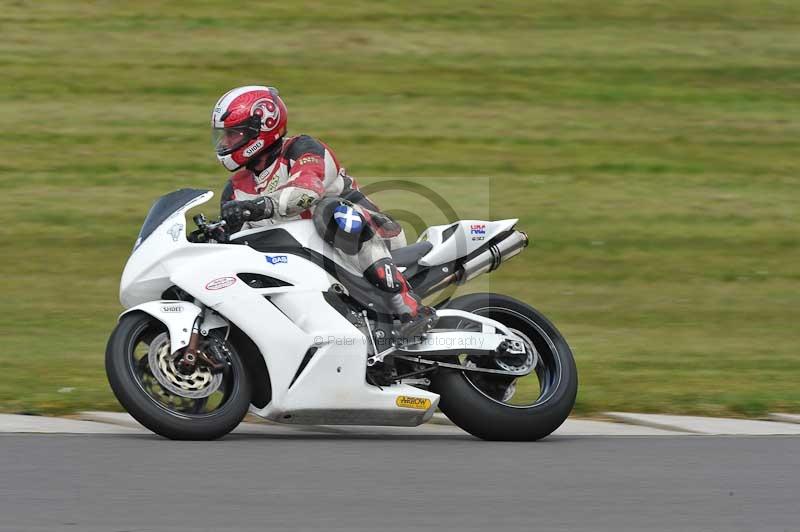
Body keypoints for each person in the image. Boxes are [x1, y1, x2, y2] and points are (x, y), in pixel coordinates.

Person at [211, 85, 435, 344]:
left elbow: (306, 192)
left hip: (373, 236)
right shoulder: (236, 188)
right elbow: (237, 242)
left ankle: (407, 305)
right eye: (224, 135)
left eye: (233, 134)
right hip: (312, 260)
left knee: (330, 211)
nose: (225, 142)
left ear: (262, 128)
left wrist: (257, 207)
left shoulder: (303, 149)